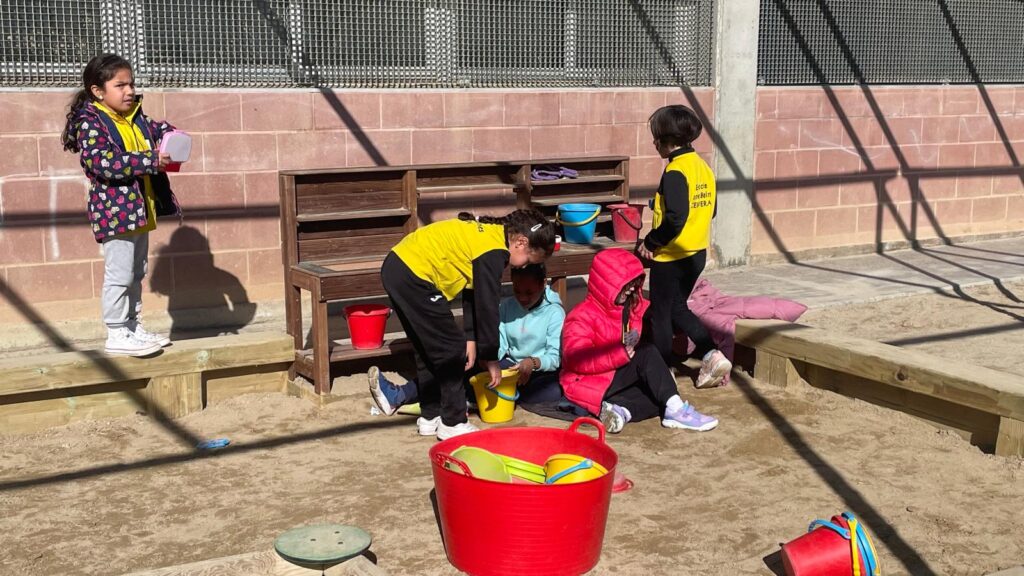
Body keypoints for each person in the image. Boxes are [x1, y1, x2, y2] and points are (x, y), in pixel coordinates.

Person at [371, 210, 555, 440]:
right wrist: (490, 357)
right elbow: (487, 306)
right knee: (451, 350)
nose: (522, 267)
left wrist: (471, 338)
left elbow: (473, 291)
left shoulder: (489, 237)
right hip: (414, 274)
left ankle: (431, 415)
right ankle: (454, 421)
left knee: (427, 349)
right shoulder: (493, 251)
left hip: (398, 267)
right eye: (528, 260)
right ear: (521, 242)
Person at [61, 53, 180, 357]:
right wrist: (150, 160)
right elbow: (103, 163)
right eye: (120, 85)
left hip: (140, 209)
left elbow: (156, 128)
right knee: (120, 274)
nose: (129, 91)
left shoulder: (134, 116)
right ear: (97, 91)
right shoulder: (91, 123)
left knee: (137, 271)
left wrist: (171, 135)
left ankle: (132, 326)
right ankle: (116, 332)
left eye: (131, 84)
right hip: (115, 213)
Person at [369, 262, 578, 418]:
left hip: (538, 373)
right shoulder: (507, 306)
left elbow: (554, 357)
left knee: (552, 390)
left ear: (543, 284)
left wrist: (532, 363)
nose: (522, 298)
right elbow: (500, 344)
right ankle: (401, 394)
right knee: (461, 363)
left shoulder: (554, 313)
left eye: (529, 293)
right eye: (517, 291)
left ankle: (466, 398)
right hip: (510, 368)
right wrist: (486, 359)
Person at [560, 248, 718, 433]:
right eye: (626, 285)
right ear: (608, 285)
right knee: (648, 354)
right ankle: (676, 411)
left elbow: (653, 315)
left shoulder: (629, 307)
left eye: (634, 285)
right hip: (586, 381)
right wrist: (618, 355)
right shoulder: (581, 315)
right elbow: (576, 358)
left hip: (613, 375)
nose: (631, 290)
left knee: (660, 394)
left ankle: (621, 411)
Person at [637, 104, 732, 388]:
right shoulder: (702, 167)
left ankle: (662, 372)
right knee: (678, 308)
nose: (654, 144)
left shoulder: (675, 171)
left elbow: (676, 218)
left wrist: (652, 241)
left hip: (671, 257)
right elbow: (711, 211)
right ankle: (712, 354)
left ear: (668, 140)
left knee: (661, 315)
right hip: (696, 253)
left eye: (656, 138)